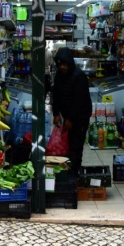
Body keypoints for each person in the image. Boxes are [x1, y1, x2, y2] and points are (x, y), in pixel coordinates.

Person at [52, 47, 92, 176]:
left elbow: (79, 101)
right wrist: (56, 113)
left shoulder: (79, 77)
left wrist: (71, 119)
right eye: (60, 64)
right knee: (68, 143)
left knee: (76, 143)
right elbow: (56, 94)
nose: (62, 67)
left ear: (70, 63)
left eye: (65, 64)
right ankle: (69, 169)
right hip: (67, 114)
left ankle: (75, 173)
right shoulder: (59, 75)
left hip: (80, 117)